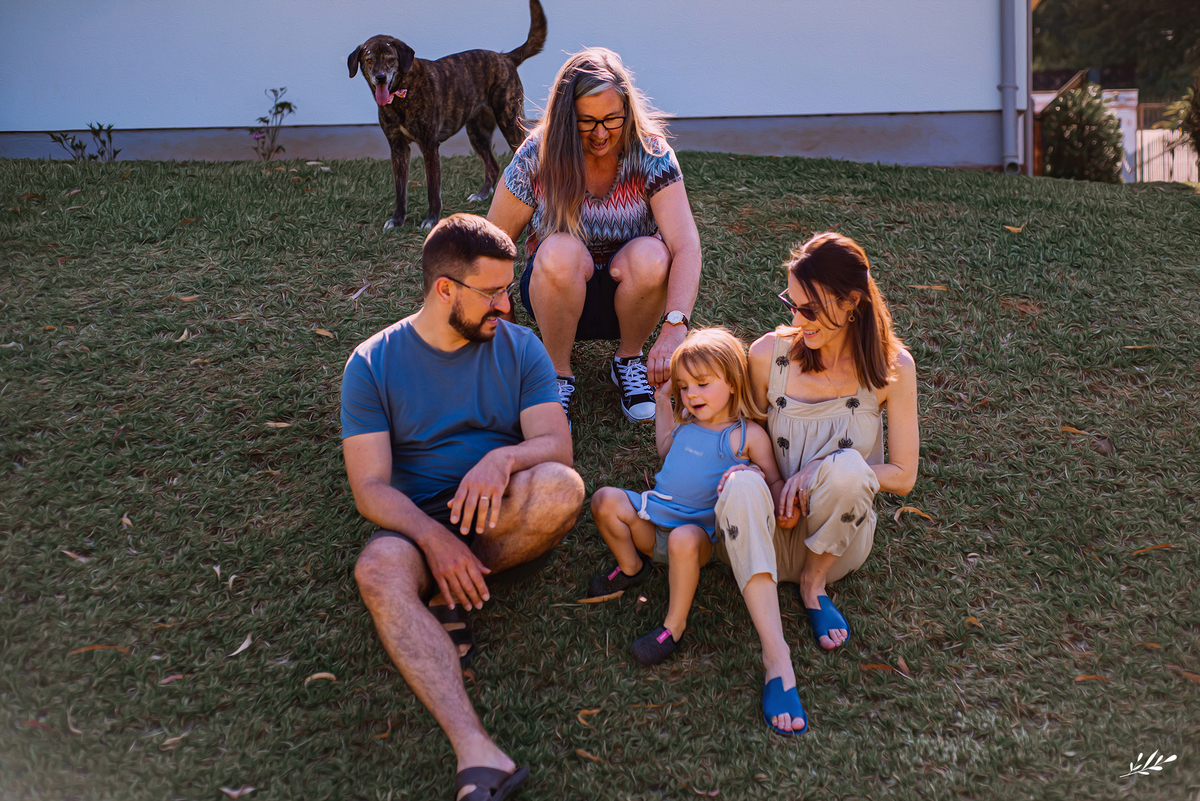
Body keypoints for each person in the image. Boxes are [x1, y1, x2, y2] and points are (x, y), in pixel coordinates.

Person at [342, 214, 585, 801]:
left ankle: (452, 591)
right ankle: (475, 751)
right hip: (417, 522)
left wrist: (501, 461)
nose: (507, 304)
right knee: (376, 570)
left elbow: (556, 445)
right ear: (444, 289)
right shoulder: (372, 364)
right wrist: (432, 538)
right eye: (493, 292)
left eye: (509, 288)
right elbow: (370, 488)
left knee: (561, 486)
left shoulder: (520, 347)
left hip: (499, 510)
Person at [712, 232, 919, 736]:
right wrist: (772, 479)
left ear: (852, 304)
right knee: (738, 484)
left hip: (834, 538)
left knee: (849, 471)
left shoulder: (893, 369)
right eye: (792, 304)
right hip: (763, 535)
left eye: (812, 309)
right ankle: (776, 657)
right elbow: (738, 434)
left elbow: (904, 476)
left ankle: (813, 587)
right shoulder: (769, 355)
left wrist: (816, 473)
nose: (798, 320)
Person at [487, 47, 703, 425]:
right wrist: (497, 315)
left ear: (628, 109)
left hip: (632, 298)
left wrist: (675, 326)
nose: (601, 133)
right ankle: (556, 374)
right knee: (559, 251)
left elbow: (685, 244)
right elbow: (493, 242)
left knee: (653, 255)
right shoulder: (537, 156)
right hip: (555, 289)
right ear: (566, 117)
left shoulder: (651, 154)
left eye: (611, 119)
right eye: (586, 122)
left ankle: (629, 357)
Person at [586, 328, 784, 666]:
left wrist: (757, 477)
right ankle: (632, 566)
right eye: (684, 387)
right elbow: (666, 451)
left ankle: (672, 626)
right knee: (605, 500)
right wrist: (663, 403)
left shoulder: (746, 437)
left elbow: (775, 483)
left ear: (733, 382)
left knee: (682, 538)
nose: (691, 394)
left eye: (702, 384)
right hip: (653, 520)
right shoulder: (687, 420)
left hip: (696, 539)